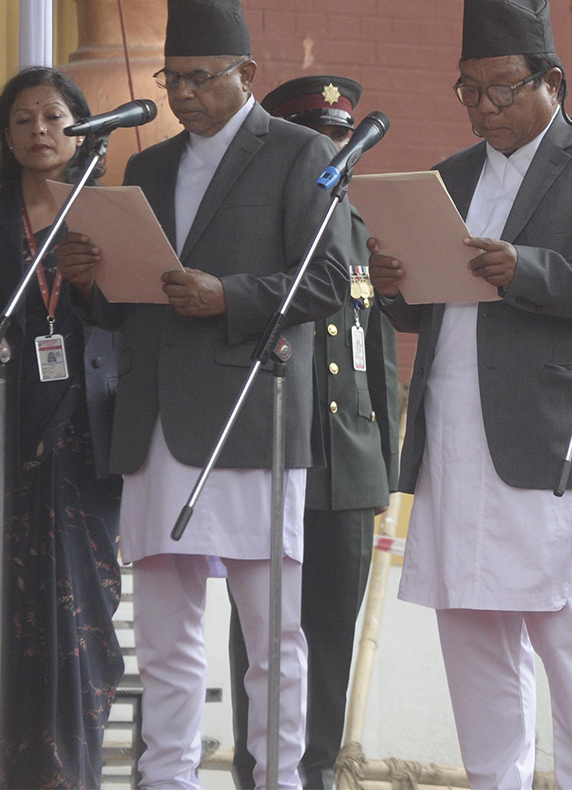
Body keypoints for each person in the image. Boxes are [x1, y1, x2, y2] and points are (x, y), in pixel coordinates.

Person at [57, 0, 351, 790]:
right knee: (163, 637)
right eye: (171, 77)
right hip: (154, 421)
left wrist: (229, 296)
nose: (182, 93)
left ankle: (279, 779)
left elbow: (329, 280)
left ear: (246, 74)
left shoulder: (298, 152)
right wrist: (90, 283)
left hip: (251, 418)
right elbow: (123, 300)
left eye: (198, 78)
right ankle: (167, 779)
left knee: (272, 635)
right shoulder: (148, 165)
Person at [367, 0, 572, 790]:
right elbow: (426, 306)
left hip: (551, 437)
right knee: (472, 634)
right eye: (469, 90)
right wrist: (393, 282)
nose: (483, 108)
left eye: (501, 89)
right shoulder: (449, 175)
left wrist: (527, 272)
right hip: (455, 434)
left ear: (551, 81)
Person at [0, 66, 123, 790]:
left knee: (81, 627)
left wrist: (91, 281)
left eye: (53, 117)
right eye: (22, 120)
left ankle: (69, 776)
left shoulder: (113, 210)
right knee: (8, 622)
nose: (39, 132)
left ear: (80, 128)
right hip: (5, 438)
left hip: (88, 439)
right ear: (5, 137)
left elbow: (130, 323)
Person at [229, 75, 401, 790]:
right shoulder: (257, 229)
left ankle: (319, 772)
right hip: (278, 455)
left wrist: (387, 467)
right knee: (266, 638)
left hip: (350, 466)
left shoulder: (364, 233)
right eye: (318, 140)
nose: (334, 153)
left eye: (341, 139)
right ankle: (259, 773)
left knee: (328, 639)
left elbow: (381, 359)